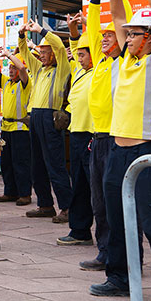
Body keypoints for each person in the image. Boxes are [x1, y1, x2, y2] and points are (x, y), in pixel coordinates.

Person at [90, 0, 151, 301]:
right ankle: (120, 278)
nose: (126, 37)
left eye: (134, 34)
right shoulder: (126, 59)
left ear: (149, 37)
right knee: (116, 218)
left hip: (148, 151)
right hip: (117, 151)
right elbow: (118, 15)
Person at [79, 0, 133, 271]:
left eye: (109, 36)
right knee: (98, 201)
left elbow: (124, 20)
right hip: (97, 139)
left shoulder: (124, 61)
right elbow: (90, 31)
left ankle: (122, 257)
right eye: (103, 36)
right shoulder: (100, 62)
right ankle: (104, 252)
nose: (103, 40)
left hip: (117, 139)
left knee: (116, 204)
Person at [18, 20, 73, 222]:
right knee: (37, 164)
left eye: (45, 51)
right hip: (35, 118)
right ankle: (45, 205)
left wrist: (41, 30)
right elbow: (24, 53)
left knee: (55, 165)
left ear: (54, 54)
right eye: (40, 51)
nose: (41, 55)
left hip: (50, 119)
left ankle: (67, 207)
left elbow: (59, 45)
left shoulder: (62, 70)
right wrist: (21, 35)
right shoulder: (39, 69)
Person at [57, 26, 95, 246]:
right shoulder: (80, 70)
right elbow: (73, 45)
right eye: (78, 54)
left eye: (83, 55)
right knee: (79, 185)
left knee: (96, 189)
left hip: (93, 134)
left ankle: (107, 238)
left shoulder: (100, 68)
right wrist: (72, 30)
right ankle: (80, 230)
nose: (78, 58)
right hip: (77, 134)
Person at [0, 45, 32, 206]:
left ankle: (24, 194)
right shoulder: (8, 83)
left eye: (13, 68)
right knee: (7, 162)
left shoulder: (24, 82)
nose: (11, 70)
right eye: (9, 68)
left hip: (20, 129)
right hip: (6, 129)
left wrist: (10, 55)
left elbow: (22, 68)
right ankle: (10, 192)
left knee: (20, 163)